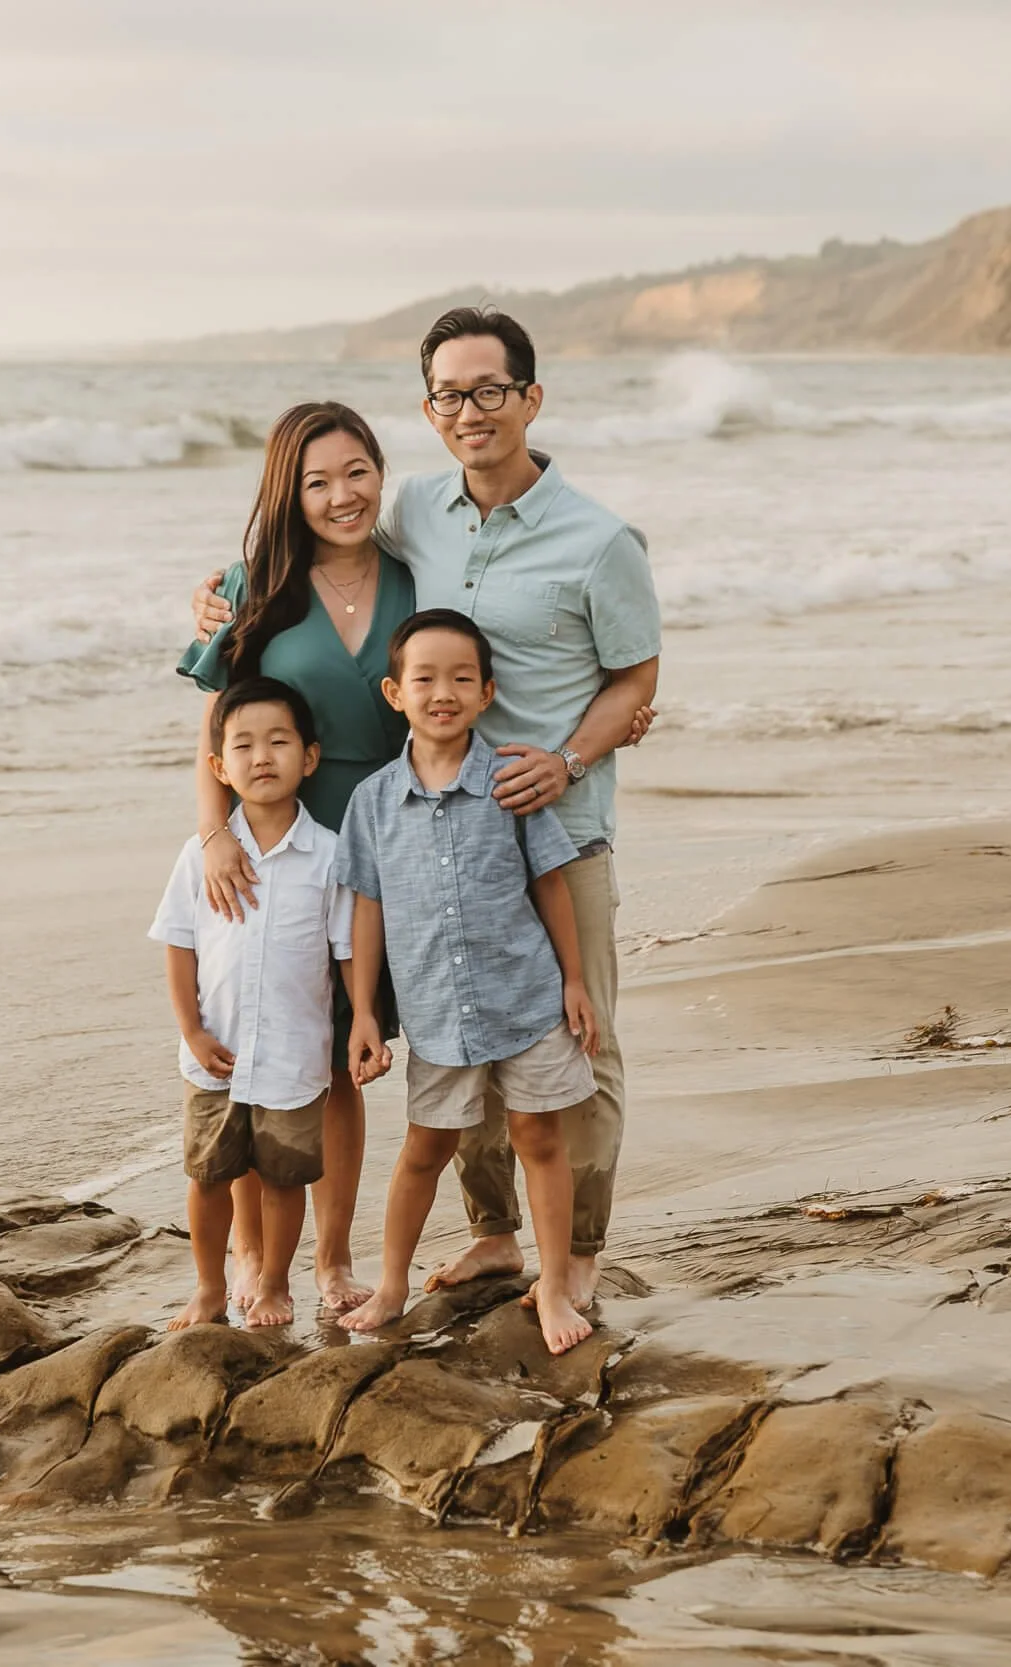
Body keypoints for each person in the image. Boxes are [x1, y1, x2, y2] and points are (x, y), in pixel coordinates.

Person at [195, 308, 660, 1311]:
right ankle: (493, 1234)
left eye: (490, 389)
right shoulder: (417, 512)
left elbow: (637, 676)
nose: (470, 410)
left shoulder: (599, 537)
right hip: (421, 828)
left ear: (531, 399)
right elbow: (311, 541)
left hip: (555, 821)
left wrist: (577, 754)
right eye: (450, 394)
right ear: (429, 409)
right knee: (455, 1025)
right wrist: (220, 594)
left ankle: (573, 1252)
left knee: (576, 1038)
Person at [175, 402, 415, 1315]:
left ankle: (332, 1259)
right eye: (317, 480)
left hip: (385, 848)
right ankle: (246, 1249)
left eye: (357, 472)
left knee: (342, 1058)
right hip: (269, 847)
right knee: (256, 1050)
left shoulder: (415, 571)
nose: (341, 495)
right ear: (290, 491)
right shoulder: (253, 583)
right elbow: (216, 722)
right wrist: (214, 836)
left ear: (380, 472)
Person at [335, 611, 599, 1355]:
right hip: (435, 1012)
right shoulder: (375, 802)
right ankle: (390, 1282)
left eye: (460, 679)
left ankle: (551, 1284)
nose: (441, 692)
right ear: (395, 692)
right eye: (424, 678)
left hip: (526, 997)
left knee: (538, 1137)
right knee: (426, 1145)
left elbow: (551, 883)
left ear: (487, 692)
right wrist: (362, 1011)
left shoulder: (510, 781)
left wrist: (574, 981)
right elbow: (366, 908)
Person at [147, 678, 357, 1329]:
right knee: (209, 1175)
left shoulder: (328, 856)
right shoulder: (199, 856)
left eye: (278, 742)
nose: (261, 755)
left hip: (295, 1058)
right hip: (215, 1054)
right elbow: (178, 946)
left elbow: (347, 953)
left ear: (310, 758)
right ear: (219, 766)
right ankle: (211, 1286)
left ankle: (273, 1281)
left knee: (284, 1178)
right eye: (243, 745)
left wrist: (363, 1024)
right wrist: (191, 1031)